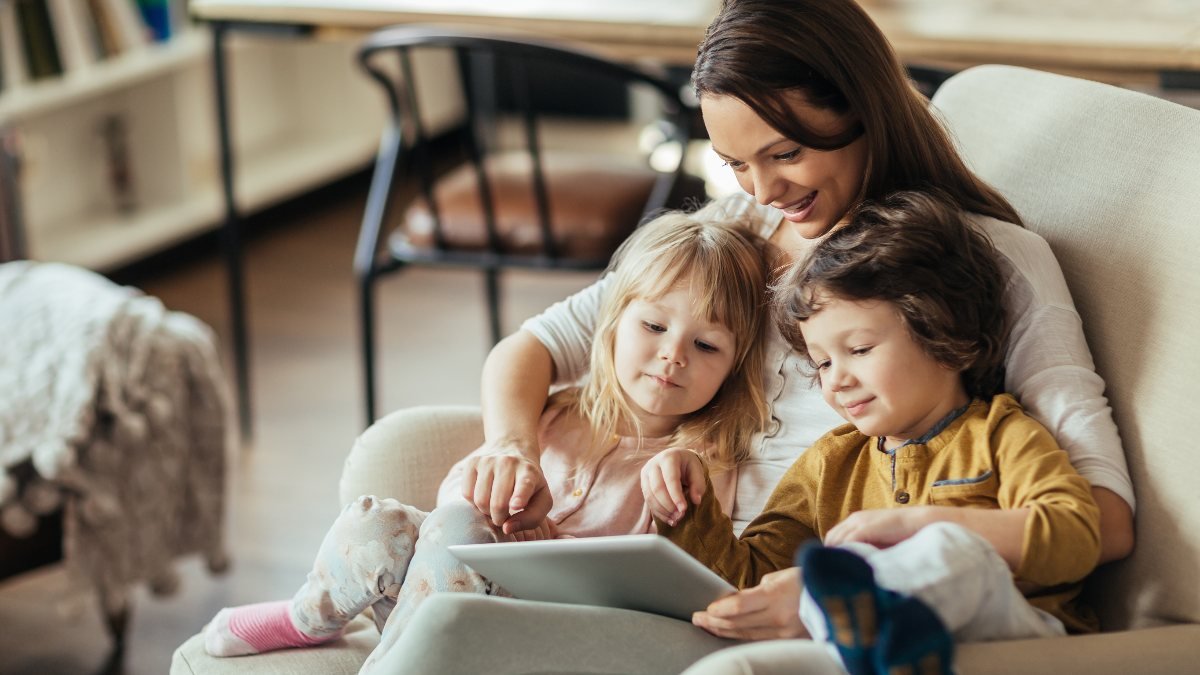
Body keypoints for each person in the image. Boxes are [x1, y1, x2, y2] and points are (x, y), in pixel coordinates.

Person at [368, 0, 1134, 671]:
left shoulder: (991, 260)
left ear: (864, 108)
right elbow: (534, 346)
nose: (765, 193)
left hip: (807, 605)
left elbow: (1107, 521)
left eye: (787, 153)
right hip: (690, 567)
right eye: (734, 162)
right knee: (451, 560)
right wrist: (511, 443)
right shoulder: (736, 233)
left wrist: (863, 569)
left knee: (459, 626)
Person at [199, 205, 773, 670]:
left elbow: (656, 584)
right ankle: (306, 618)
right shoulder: (554, 414)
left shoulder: (697, 465)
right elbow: (458, 498)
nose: (673, 354)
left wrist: (541, 540)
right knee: (387, 521)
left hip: (535, 630)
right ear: (613, 324)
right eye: (654, 326)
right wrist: (500, 493)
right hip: (443, 591)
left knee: (459, 527)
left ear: (733, 367)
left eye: (706, 346)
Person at [646, 191, 1101, 675]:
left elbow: (1077, 536)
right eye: (821, 363)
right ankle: (873, 636)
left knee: (952, 550)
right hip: (847, 652)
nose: (835, 379)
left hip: (1013, 640)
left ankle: (883, 624)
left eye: (859, 349)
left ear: (941, 333)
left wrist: (916, 526)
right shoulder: (830, 462)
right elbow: (753, 580)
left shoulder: (1002, 434)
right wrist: (687, 508)